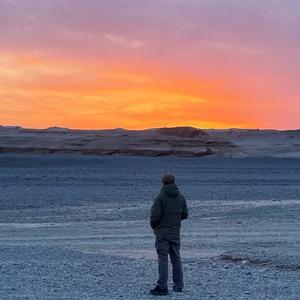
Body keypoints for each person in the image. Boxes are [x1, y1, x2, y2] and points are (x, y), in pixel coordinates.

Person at [149, 174, 188, 296]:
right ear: (174, 182)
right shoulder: (181, 197)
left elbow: (155, 216)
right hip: (175, 232)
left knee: (163, 259)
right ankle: (178, 286)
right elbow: (185, 214)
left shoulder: (160, 197)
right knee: (176, 259)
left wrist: (154, 226)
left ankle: (162, 287)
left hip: (162, 233)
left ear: (163, 183)